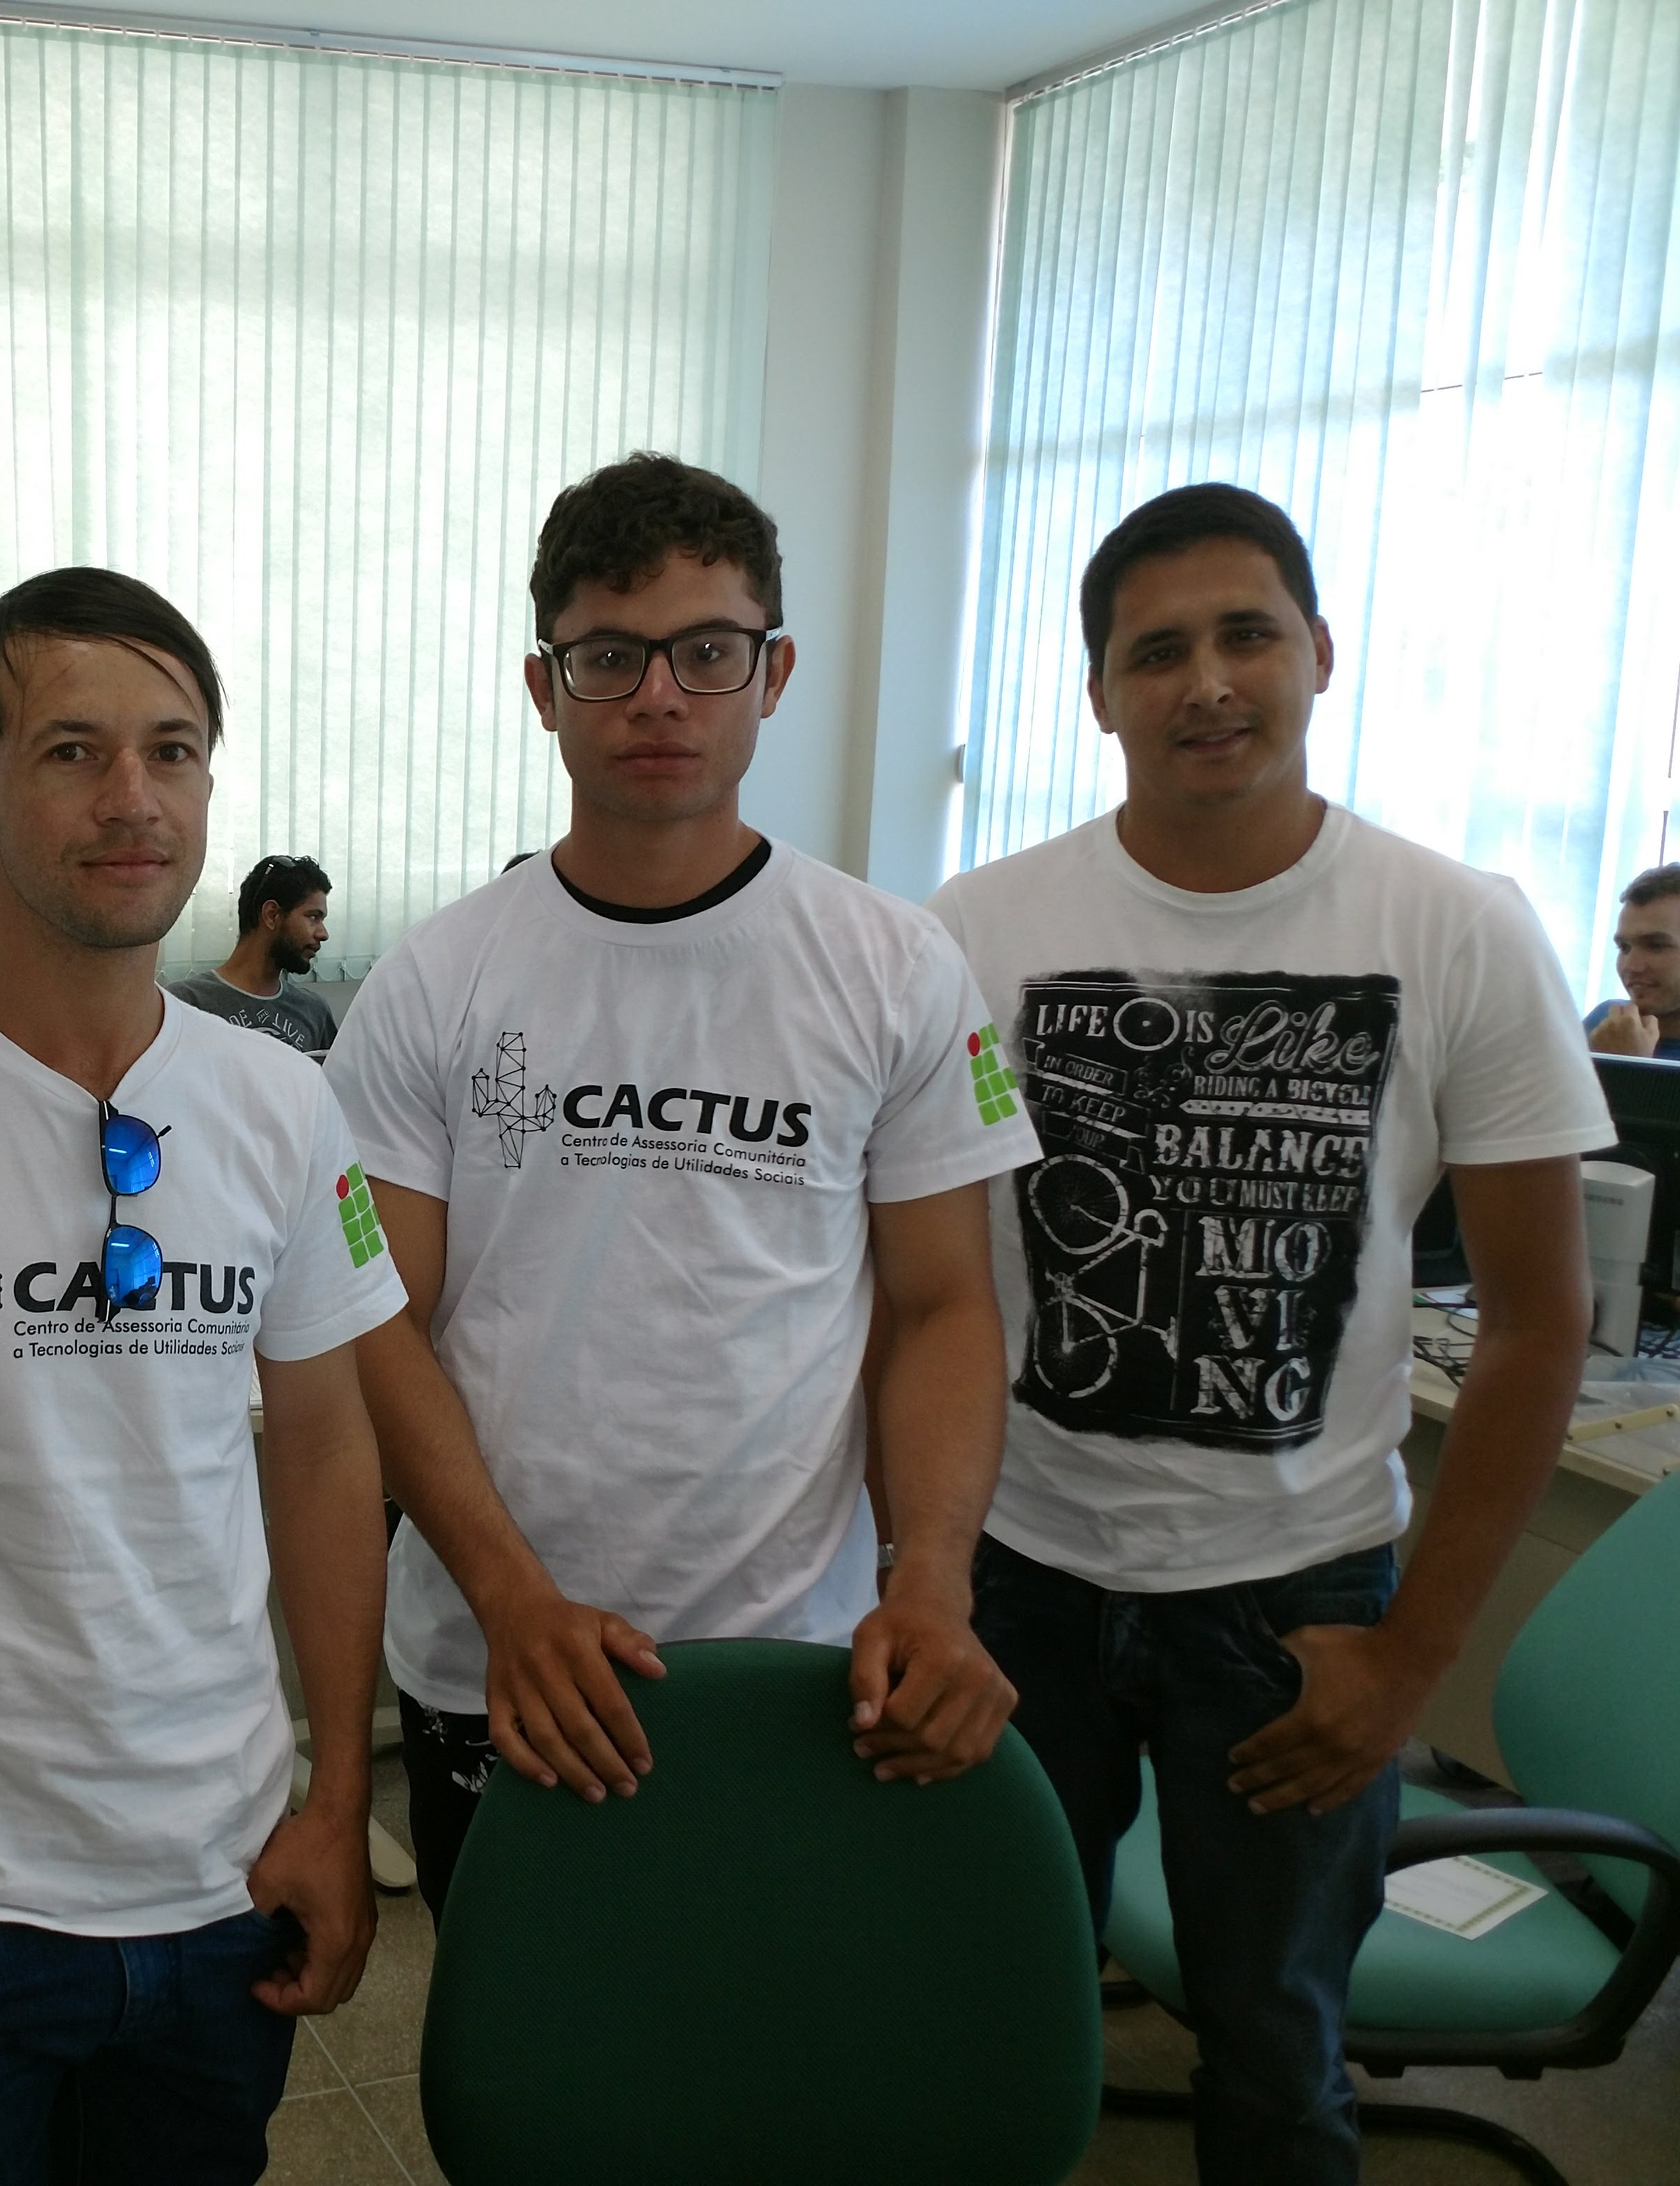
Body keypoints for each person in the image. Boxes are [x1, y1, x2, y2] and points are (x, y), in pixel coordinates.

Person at [929, 483, 1606, 2185]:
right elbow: (922, 1292)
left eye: (1246, 635)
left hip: (1295, 1597)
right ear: (1100, 693)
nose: (1207, 682)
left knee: (1275, 2047)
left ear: (1319, 651)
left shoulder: (1453, 925)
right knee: (989, 2000)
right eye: (1155, 651)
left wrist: (1411, 1659)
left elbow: (1539, 1321)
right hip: (1023, 1579)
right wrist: (915, 1573)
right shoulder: (974, 930)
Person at [0, 568, 406, 2186]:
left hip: (222, 1885)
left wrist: (335, 1799)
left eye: (172, 751)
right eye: (72, 752)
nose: (134, 799)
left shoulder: (280, 1104)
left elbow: (326, 1451)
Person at [323, 451, 1037, 1919]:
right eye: (609, 656)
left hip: (795, 1663)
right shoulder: (437, 980)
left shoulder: (894, 967)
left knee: (765, 2036)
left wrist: (931, 1579)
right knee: (526, 2047)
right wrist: (511, 1597)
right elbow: (377, 1325)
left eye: (707, 652)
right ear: (545, 688)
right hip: (501, 1658)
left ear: (774, 674)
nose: (659, 696)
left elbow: (945, 1309)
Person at [166, 855, 338, 1052]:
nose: (323, 934)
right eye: (313, 917)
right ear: (272, 915)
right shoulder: (184, 1003)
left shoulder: (314, 1011)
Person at [1585, 862, 1680, 1058]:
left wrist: (1626, 1063)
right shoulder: (1604, 1024)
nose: (1631, 966)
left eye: (1656, 946)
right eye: (1624, 947)